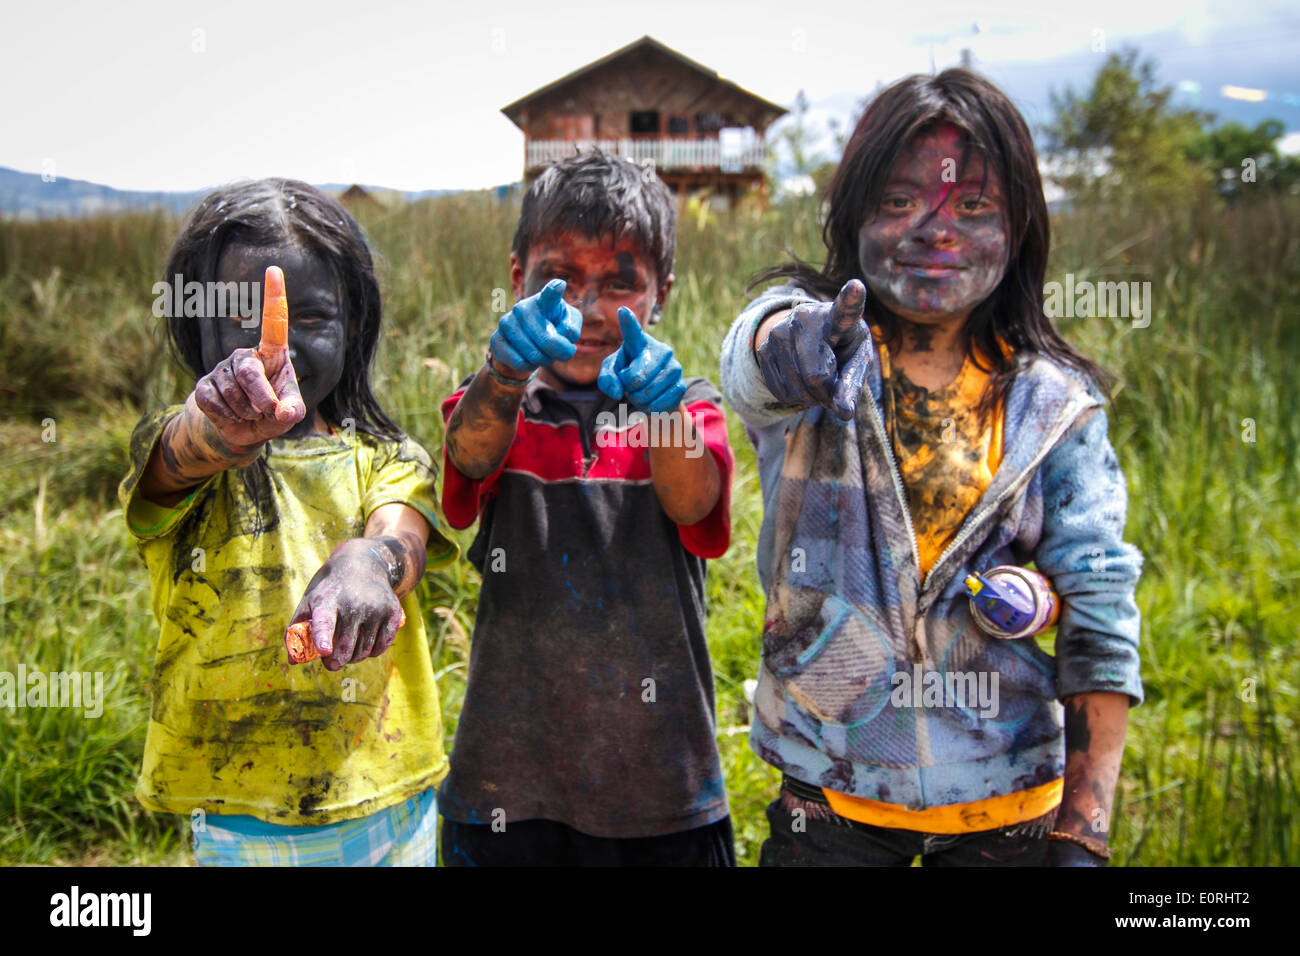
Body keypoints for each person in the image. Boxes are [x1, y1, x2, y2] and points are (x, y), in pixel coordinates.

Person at [719, 69, 1144, 867]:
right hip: (830, 790)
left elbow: (1100, 612)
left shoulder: (1056, 408)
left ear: (1018, 227)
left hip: (1010, 805)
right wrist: (802, 341)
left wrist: (1083, 831)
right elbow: (753, 356)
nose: (934, 230)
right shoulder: (816, 359)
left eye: (973, 206)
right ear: (853, 220)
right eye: (897, 202)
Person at [118, 178, 458, 865]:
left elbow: (404, 535)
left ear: (353, 323)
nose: (275, 347)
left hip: (388, 800)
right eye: (246, 321)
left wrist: (368, 563)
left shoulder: (388, 457)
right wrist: (221, 430)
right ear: (199, 325)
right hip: (242, 815)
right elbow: (181, 456)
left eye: (308, 318)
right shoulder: (180, 451)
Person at [437, 151, 736, 866]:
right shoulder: (501, 403)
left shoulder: (687, 408)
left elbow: (693, 500)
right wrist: (505, 373)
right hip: (506, 780)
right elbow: (470, 455)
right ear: (518, 279)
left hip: (663, 785)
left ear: (661, 292)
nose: (590, 309)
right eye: (560, 281)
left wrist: (661, 413)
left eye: (619, 283)